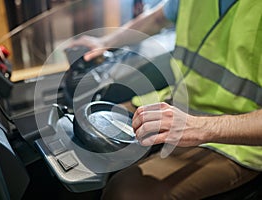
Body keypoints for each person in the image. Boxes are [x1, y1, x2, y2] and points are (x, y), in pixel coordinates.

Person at [72, 0, 262, 199]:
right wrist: (105, 42)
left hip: (236, 142)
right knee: (86, 132)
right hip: (179, 102)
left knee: (126, 193)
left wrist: (201, 127)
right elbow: (156, 18)